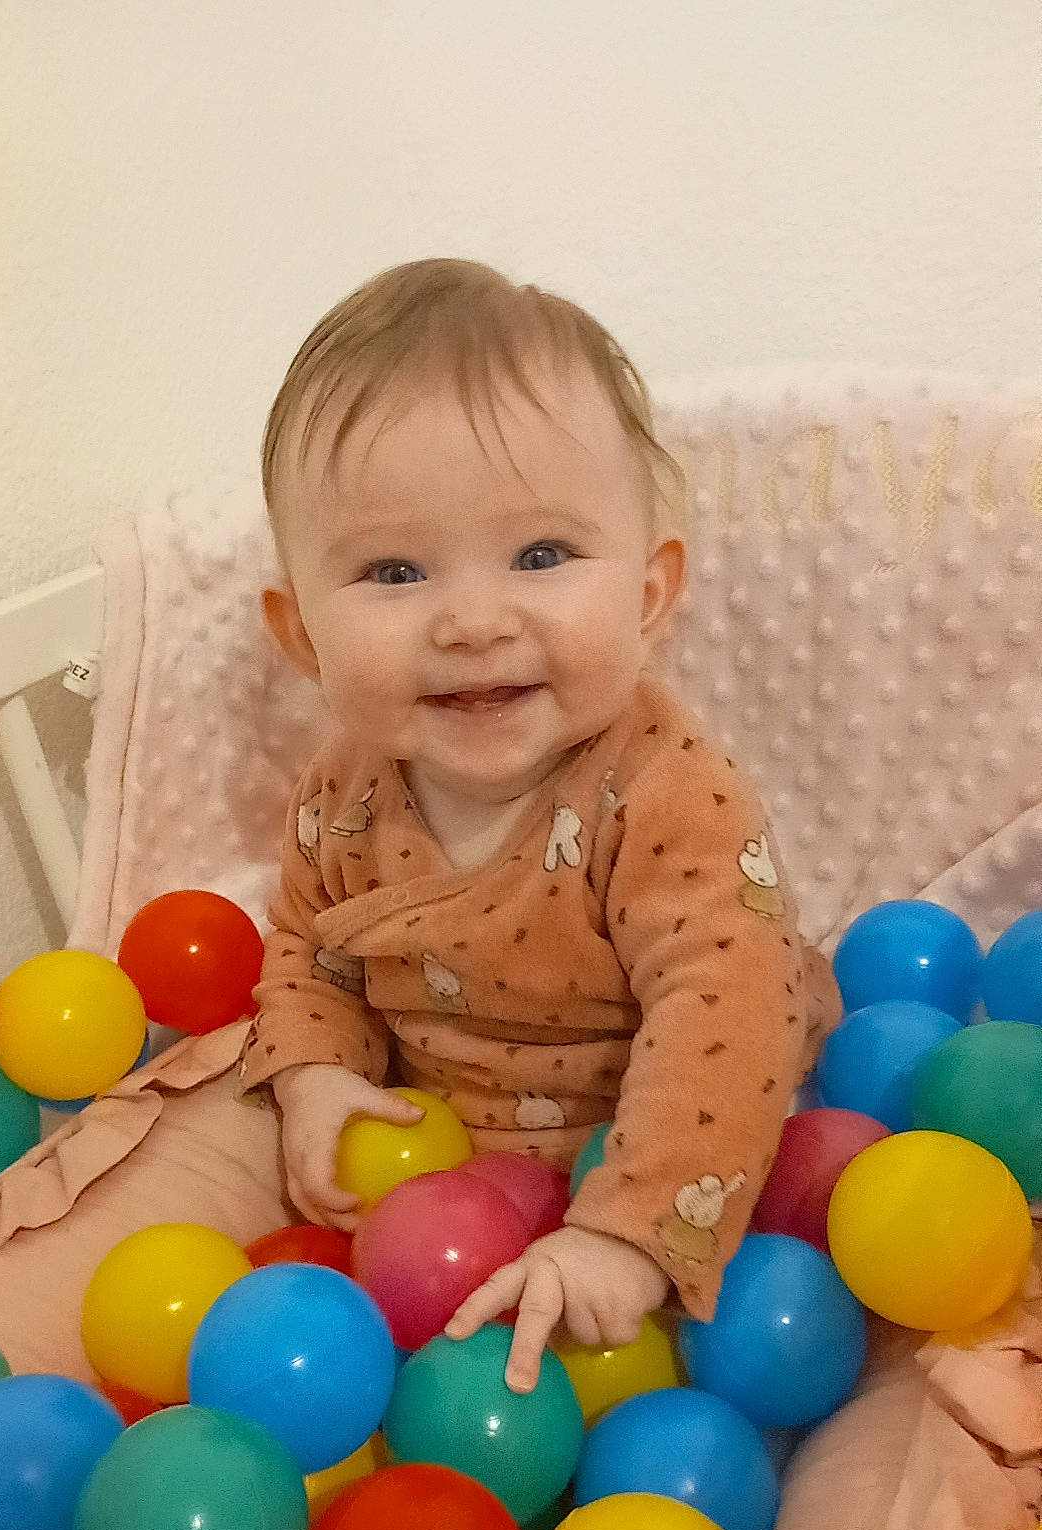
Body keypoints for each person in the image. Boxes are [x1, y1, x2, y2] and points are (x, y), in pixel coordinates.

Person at [238, 256, 839, 1390]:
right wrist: (315, 1073)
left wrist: (628, 1232)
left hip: (691, 1137)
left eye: (541, 555)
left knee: (813, 1230)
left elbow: (731, 1001)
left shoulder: (667, 792)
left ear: (650, 596)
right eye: (395, 569)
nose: (473, 619)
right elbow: (307, 952)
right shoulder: (341, 797)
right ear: (303, 638)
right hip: (455, 1175)